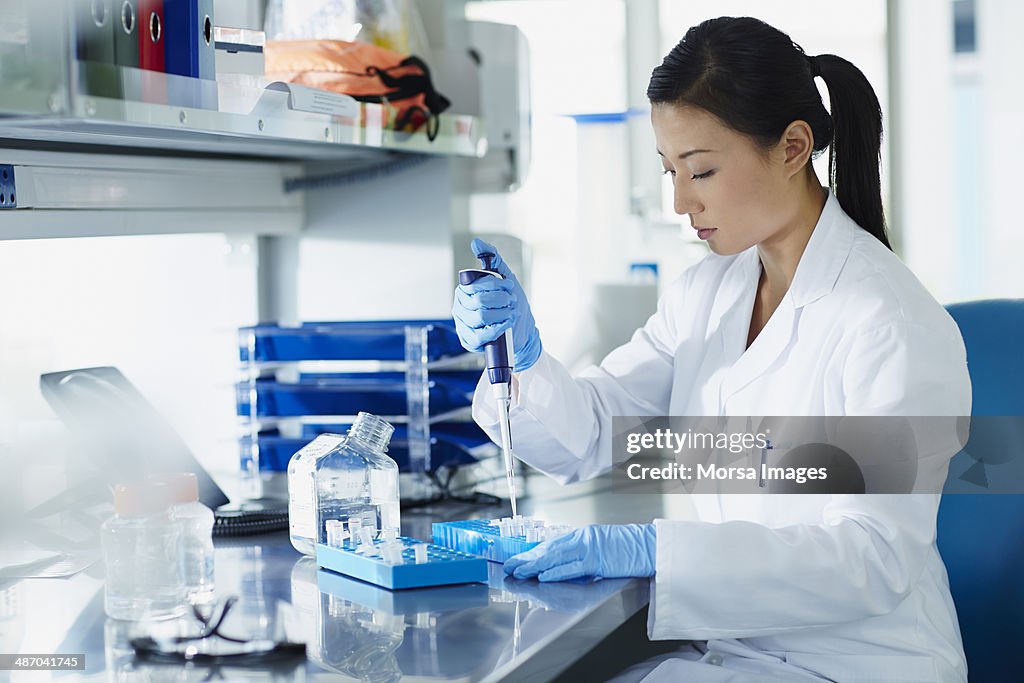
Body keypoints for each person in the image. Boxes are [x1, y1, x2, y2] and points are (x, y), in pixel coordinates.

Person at [451, 16, 970, 683]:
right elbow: (589, 433)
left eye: (700, 170)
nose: (678, 201)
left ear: (792, 147)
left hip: (862, 664)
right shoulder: (708, 293)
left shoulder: (889, 322)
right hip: (741, 654)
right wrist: (522, 362)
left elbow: (870, 557)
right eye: (670, 170)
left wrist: (655, 549)